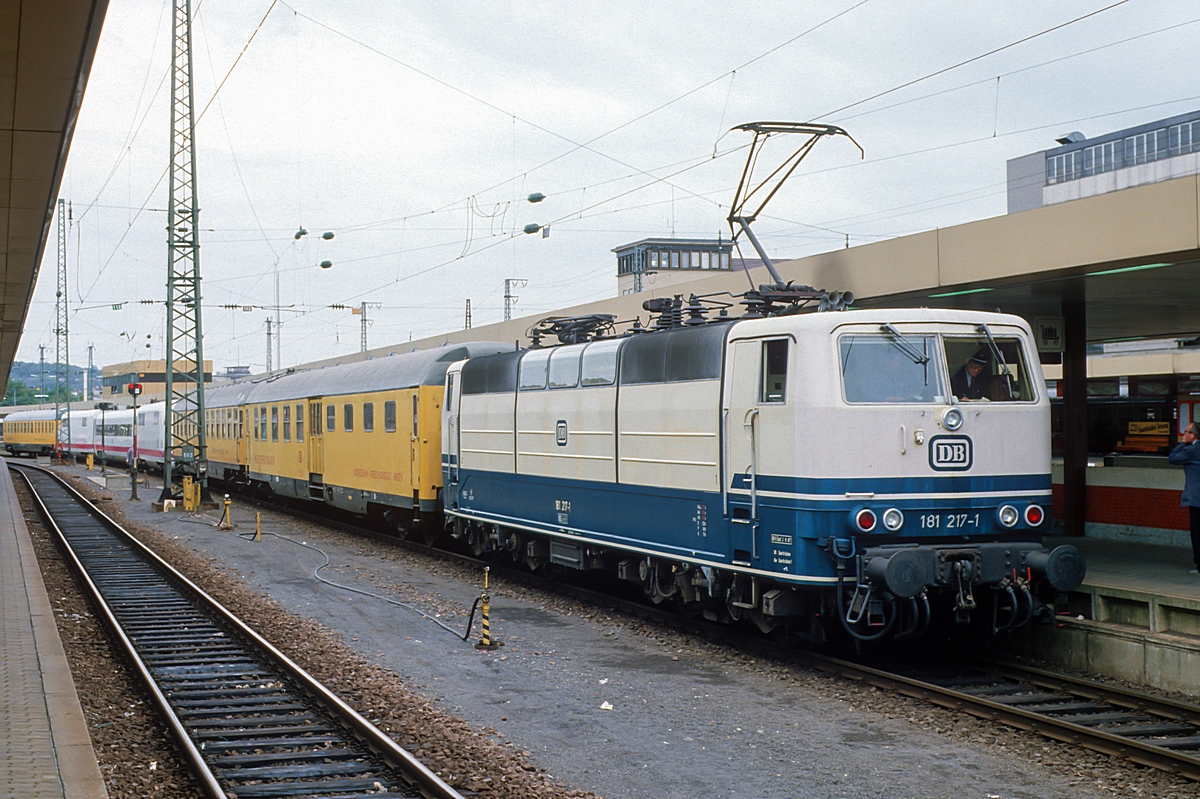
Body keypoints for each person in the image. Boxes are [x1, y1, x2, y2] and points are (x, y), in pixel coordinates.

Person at [1168, 422, 1200, 574]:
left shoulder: (1191, 450)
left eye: (1186, 432)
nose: (1184, 434)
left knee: (1197, 532)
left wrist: (1182, 444)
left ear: (1193, 435)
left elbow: (1172, 458)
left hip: (1197, 499)